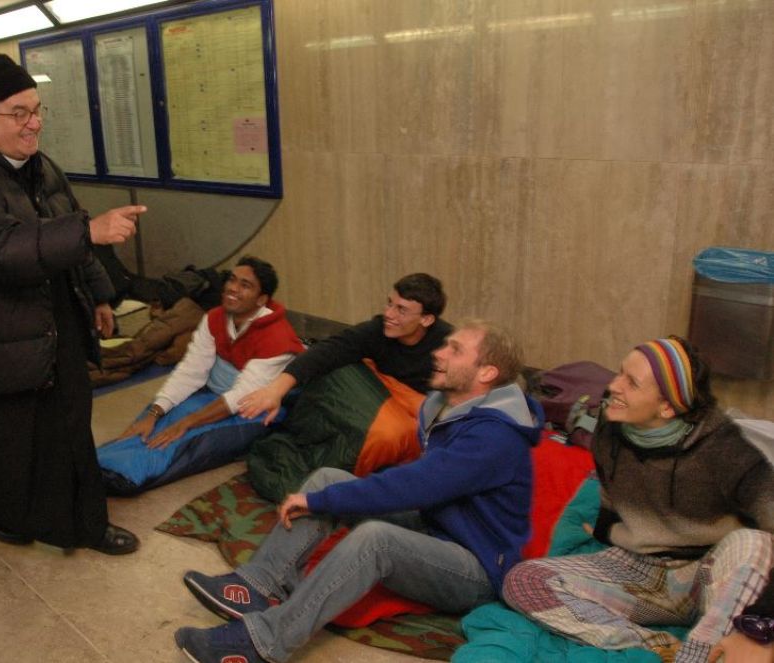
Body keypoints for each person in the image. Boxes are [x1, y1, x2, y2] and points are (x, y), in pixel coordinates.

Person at [174, 319, 543, 663]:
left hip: (473, 568)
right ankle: (259, 584)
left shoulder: (495, 438)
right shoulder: (451, 408)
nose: (439, 353)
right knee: (328, 478)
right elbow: (421, 482)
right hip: (435, 527)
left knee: (375, 538)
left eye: (455, 350)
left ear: (487, 373)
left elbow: (416, 484)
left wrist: (320, 503)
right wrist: (325, 495)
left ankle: (266, 642)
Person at [0, 53, 146, 556]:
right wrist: (88, 231)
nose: (34, 123)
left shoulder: (42, 167)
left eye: (37, 109)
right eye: (19, 113)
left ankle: (86, 523)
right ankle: (6, 517)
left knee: (68, 424)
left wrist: (99, 294)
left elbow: (66, 222)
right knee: (5, 441)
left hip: (50, 318)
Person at [503, 336, 774, 663]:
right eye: (619, 373)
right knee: (524, 580)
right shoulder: (611, 429)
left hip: (704, 575)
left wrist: (762, 618)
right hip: (639, 573)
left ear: (667, 407)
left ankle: (699, 655)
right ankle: (658, 646)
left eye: (631, 382)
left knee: (753, 542)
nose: (614, 386)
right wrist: (602, 531)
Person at [101, 256, 304, 492]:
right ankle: (100, 463)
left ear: (262, 300)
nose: (232, 288)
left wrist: (187, 423)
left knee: (183, 437)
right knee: (147, 426)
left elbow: (241, 397)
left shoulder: (277, 337)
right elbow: (191, 372)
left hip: (254, 411)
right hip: (213, 394)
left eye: (245, 285)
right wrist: (154, 413)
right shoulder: (215, 318)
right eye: (232, 280)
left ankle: (124, 476)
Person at [238, 272, 452, 423]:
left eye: (401, 310)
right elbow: (329, 351)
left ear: (426, 319)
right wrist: (276, 389)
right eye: (389, 303)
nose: (389, 314)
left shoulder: (449, 343)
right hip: (376, 405)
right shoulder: (377, 330)